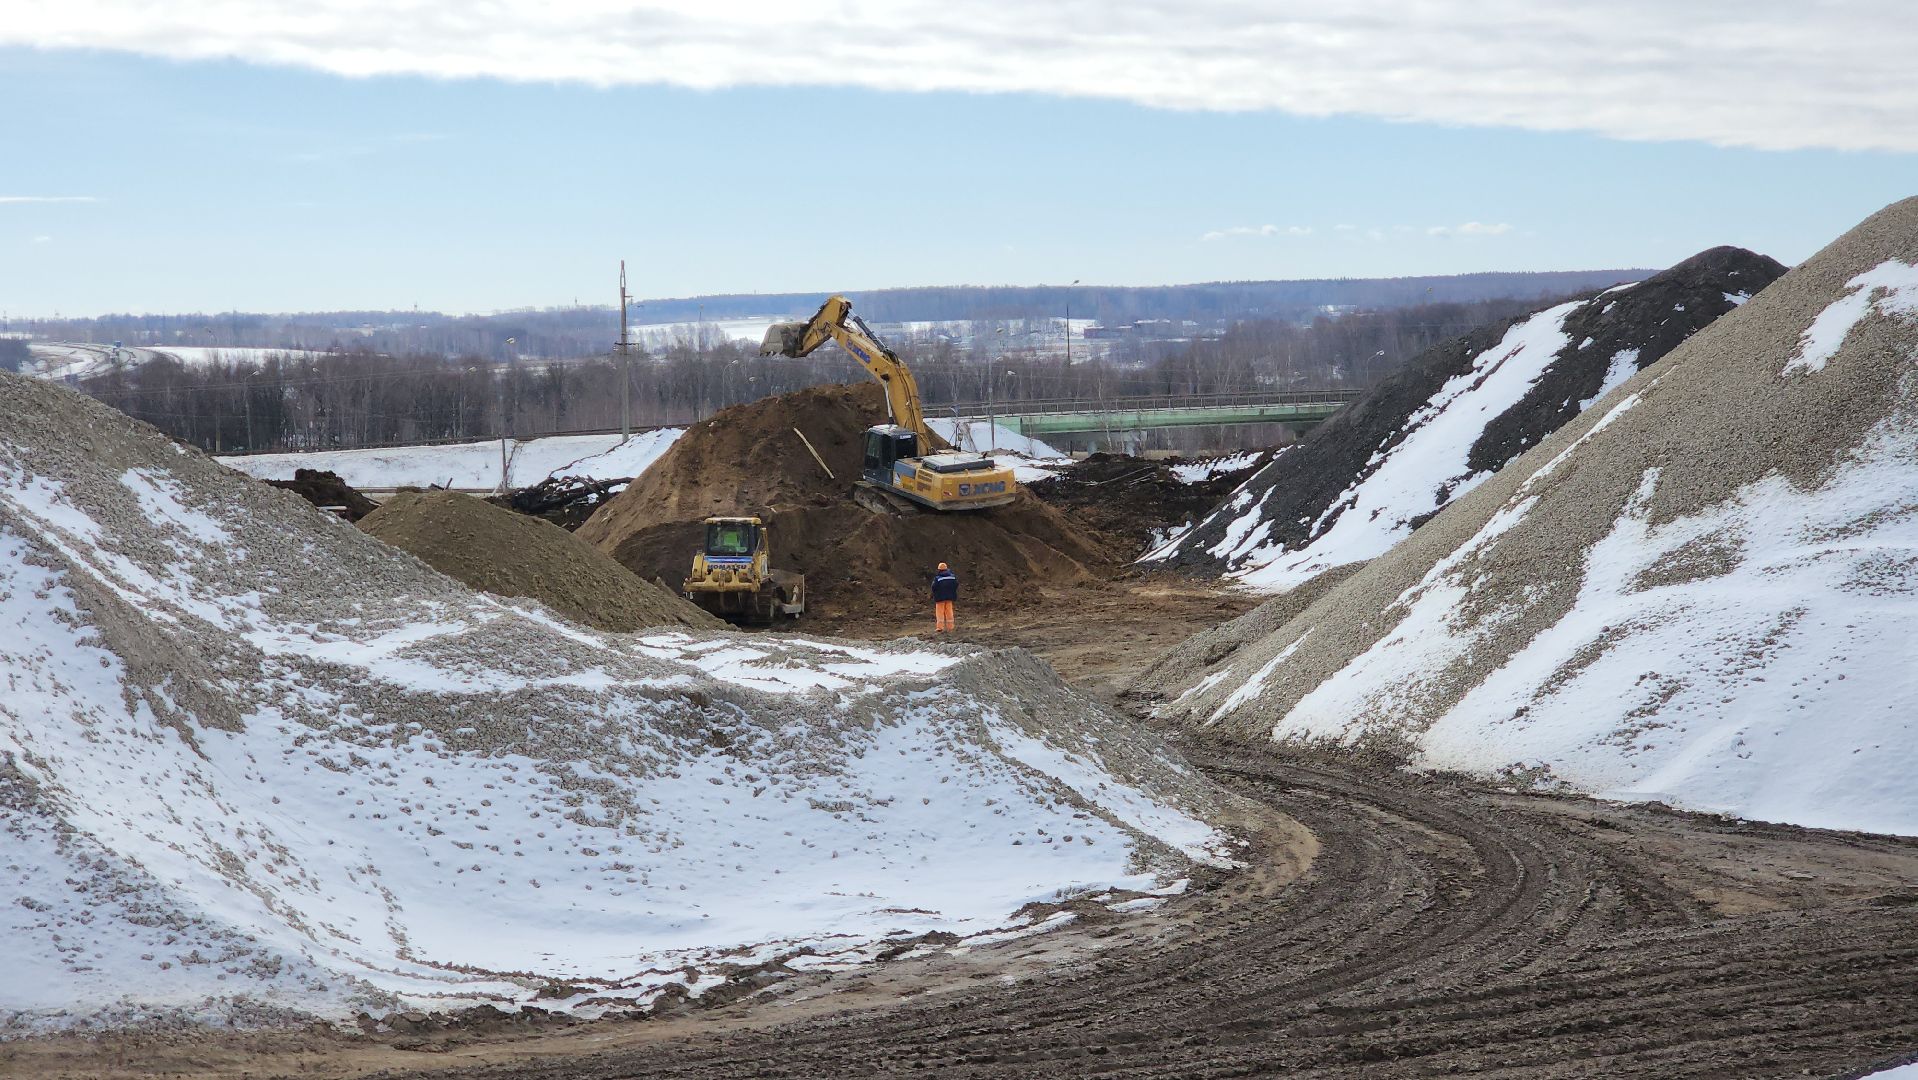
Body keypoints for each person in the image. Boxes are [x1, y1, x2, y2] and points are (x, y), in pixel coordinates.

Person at [931, 561, 958, 633]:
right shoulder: (952, 577)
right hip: (950, 597)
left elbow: (934, 587)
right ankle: (950, 627)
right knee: (949, 611)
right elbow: (956, 585)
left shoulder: (938, 578)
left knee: (940, 612)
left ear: (939, 570)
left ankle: (940, 627)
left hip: (940, 598)